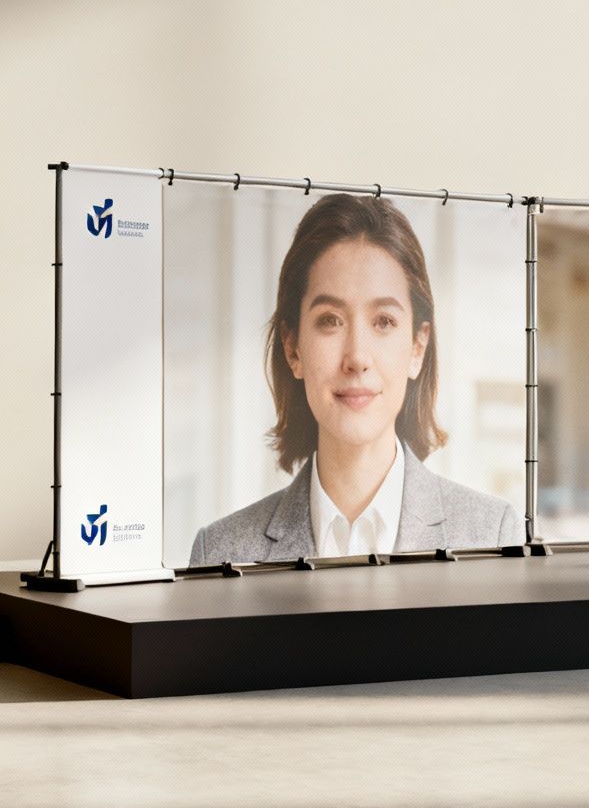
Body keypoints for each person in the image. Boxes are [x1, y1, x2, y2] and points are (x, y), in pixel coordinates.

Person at [189, 194, 522, 566]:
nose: (357, 358)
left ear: (417, 346)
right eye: (330, 320)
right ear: (292, 348)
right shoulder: (221, 552)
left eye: (383, 322)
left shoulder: (491, 536)